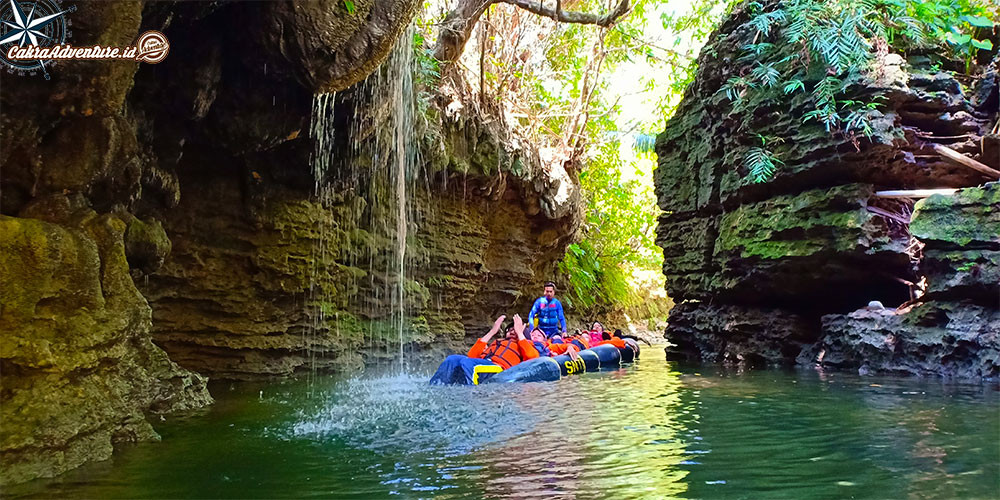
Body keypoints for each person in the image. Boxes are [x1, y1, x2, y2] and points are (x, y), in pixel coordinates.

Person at [429, 314, 539, 385]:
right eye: (509, 330)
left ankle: (469, 393)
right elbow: (471, 355)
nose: (511, 331)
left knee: (468, 363)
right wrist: (493, 331)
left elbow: (532, 358)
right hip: (484, 364)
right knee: (452, 359)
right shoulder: (498, 342)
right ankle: (435, 387)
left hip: (498, 368)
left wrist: (520, 332)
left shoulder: (524, 344)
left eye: (514, 329)